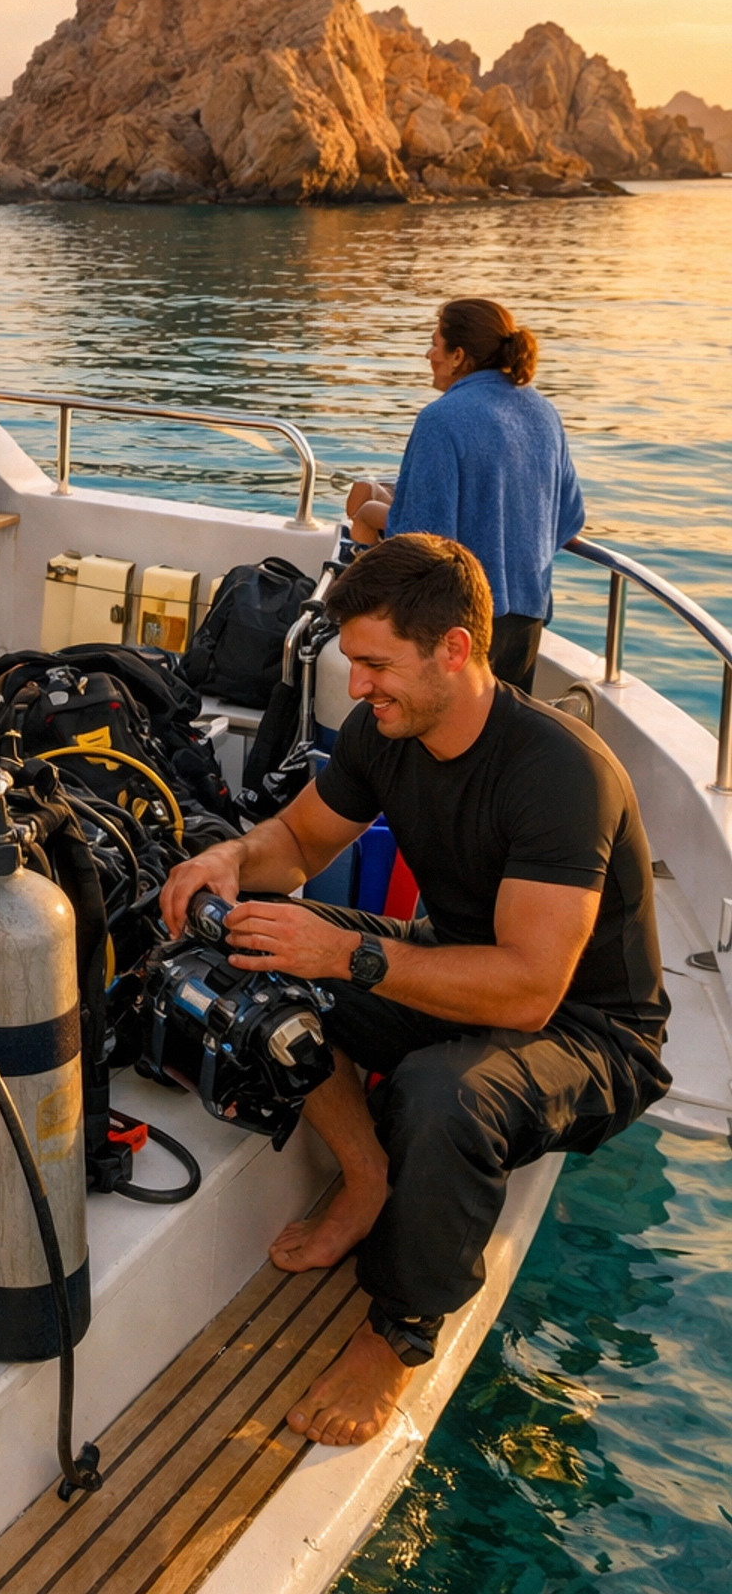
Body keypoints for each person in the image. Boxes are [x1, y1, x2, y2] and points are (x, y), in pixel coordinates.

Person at [160, 533, 668, 1448]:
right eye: (353, 664)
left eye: (374, 664)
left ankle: (397, 1335)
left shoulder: (561, 772)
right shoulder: (386, 730)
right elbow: (301, 846)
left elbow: (527, 993)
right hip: (453, 959)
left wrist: (348, 958)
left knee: (442, 1095)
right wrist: (233, 856)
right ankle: (366, 1181)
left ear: (456, 650)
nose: (356, 687)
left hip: (592, 1030)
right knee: (259, 956)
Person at [344, 297, 584, 690]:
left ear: (458, 356)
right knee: (500, 743)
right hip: (525, 625)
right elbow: (569, 517)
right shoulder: (544, 413)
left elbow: (421, 541)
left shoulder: (441, 419)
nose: (427, 354)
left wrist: (371, 512)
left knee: (445, 745)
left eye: (434, 344)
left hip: (457, 628)